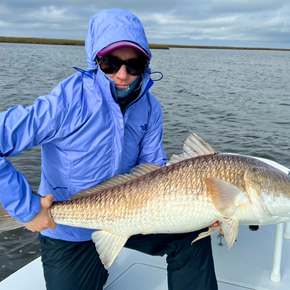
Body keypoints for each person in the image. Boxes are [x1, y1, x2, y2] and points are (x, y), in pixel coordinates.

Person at [0, 8, 218, 290]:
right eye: (110, 63)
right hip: (68, 227)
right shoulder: (66, 103)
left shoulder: (150, 107)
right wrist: (27, 209)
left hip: (133, 216)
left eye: (134, 64)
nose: (123, 75)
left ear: (145, 64)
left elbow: (153, 169)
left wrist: (203, 211)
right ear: (95, 61)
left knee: (193, 236)